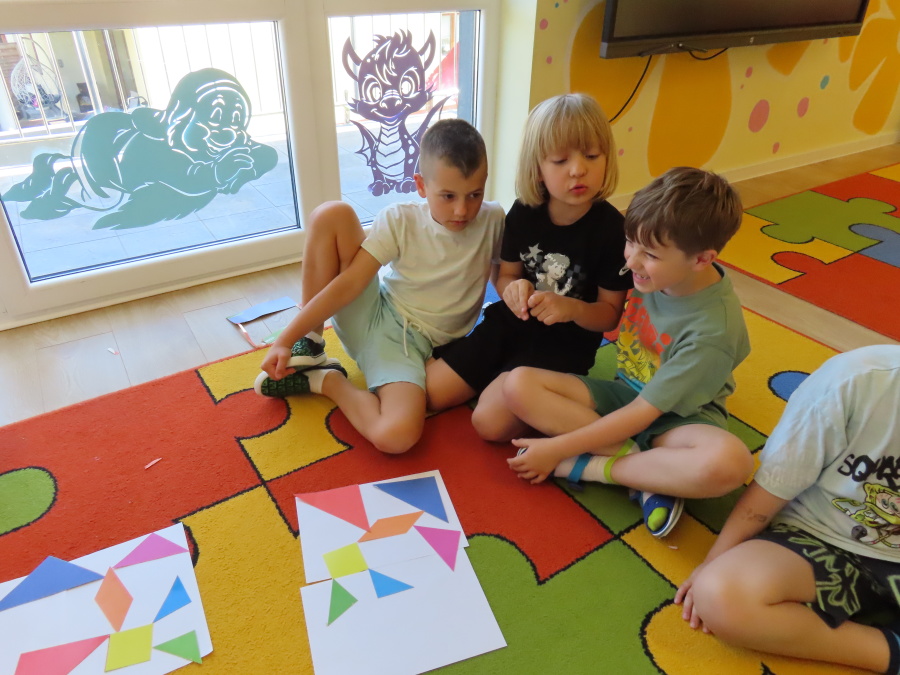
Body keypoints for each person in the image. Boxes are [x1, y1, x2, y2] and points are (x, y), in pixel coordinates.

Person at [502, 166, 754, 538]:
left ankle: (595, 468)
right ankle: (649, 473)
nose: (631, 261)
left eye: (649, 253)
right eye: (630, 242)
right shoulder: (654, 272)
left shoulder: (712, 331)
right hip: (624, 393)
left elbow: (643, 414)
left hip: (679, 420)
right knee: (517, 384)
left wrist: (557, 450)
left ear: (702, 259)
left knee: (730, 463)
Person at [254, 118, 505, 455]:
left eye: (474, 194)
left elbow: (503, 276)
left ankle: (325, 380)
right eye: (447, 196)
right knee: (332, 214)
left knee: (396, 436)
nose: (462, 210)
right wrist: (285, 339)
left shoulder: (494, 219)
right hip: (372, 314)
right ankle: (309, 345)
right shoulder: (401, 219)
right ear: (421, 185)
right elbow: (350, 284)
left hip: (406, 349)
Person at [675, 345, 900, 674]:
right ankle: (887, 651)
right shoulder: (856, 379)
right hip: (821, 536)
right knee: (721, 595)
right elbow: (776, 484)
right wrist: (713, 560)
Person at [426, 93, 631, 442]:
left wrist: (571, 308)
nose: (578, 169)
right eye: (560, 160)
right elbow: (507, 276)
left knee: (489, 423)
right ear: (537, 168)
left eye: (592, 155)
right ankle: (499, 379)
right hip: (511, 325)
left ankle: (527, 392)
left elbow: (609, 315)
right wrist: (513, 289)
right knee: (430, 393)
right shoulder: (523, 212)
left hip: (563, 346)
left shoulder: (613, 231)